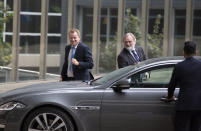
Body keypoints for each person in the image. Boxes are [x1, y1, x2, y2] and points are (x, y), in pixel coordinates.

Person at [164, 41, 201, 131]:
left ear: (183, 52)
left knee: (179, 128)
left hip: (184, 105)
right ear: (195, 52)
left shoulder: (179, 66)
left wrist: (169, 97)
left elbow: (172, 85)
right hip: (199, 105)